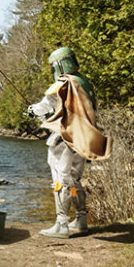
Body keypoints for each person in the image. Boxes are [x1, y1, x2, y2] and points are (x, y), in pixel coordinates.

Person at [27, 47, 110, 238]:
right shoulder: (85, 82)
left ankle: (61, 223)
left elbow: (44, 106)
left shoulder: (63, 83)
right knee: (75, 180)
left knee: (60, 180)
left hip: (63, 138)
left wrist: (32, 110)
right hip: (83, 138)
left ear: (58, 65)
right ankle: (81, 219)